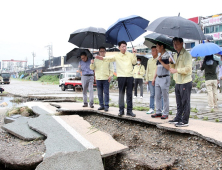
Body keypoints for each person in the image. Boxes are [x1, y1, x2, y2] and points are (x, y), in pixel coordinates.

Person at [95, 41, 137, 117]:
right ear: (119, 48)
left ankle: (129, 111)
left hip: (130, 76)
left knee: (129, 94)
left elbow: (134, 62)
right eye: (122, 47)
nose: (124, 48)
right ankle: (121, 111)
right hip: (121, 77)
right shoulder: (117, 56)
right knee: (121, 94)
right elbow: (109, 58)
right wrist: (102, 58)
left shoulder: (130, 55)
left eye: (125, 46)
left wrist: (134, 53)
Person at [169, 37, 192, 127]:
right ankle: (178, 117)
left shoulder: (187, 55)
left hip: (185, 81)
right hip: (178, 81)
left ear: (182, 43)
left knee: (185, 101)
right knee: (178, 102)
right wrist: (171, 62)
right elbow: (174, 66)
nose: (175, 45)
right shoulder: (175, 54)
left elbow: (188, 68)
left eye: (177, 43)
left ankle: (185, 120)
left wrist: (177, 70)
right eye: (174, 43)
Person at [90, 46, 114, 112]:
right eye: (101, 51)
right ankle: (101, 105)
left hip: (106, 78)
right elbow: (92, 68)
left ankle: (106, 106)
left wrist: (110, 75)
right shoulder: (95, 59)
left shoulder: (108, 59)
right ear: (99, 52)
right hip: (98, 78)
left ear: (105, 52)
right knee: (99, 93)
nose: (102, 52)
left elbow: (111, 68)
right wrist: (92, 63)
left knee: (106, 93)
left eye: (103, 51)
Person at [150, 42, 170, 119]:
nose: (157, 48)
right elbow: (157, 67)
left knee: (165, 96)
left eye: (158, 47)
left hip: (165, 77)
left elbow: (168, 67)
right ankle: (158, 111)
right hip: (158, 77)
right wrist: (154, 78)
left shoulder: (167, 55)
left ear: (162, 46)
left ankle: (165, 112)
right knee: (157, 96)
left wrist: (161, 61)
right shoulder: (159, 56)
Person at [145, 46, 158, 114]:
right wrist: (146, 79)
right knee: (152, 94)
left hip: (157, 79)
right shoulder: (149, 60)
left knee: (159, 95)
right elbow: (147, 70)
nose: (152, 52)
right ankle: (151, 108)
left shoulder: (159, 59)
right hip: (150, 79)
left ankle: (160, 109)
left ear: (157, 51)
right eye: (152, 51)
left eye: (154, 51)